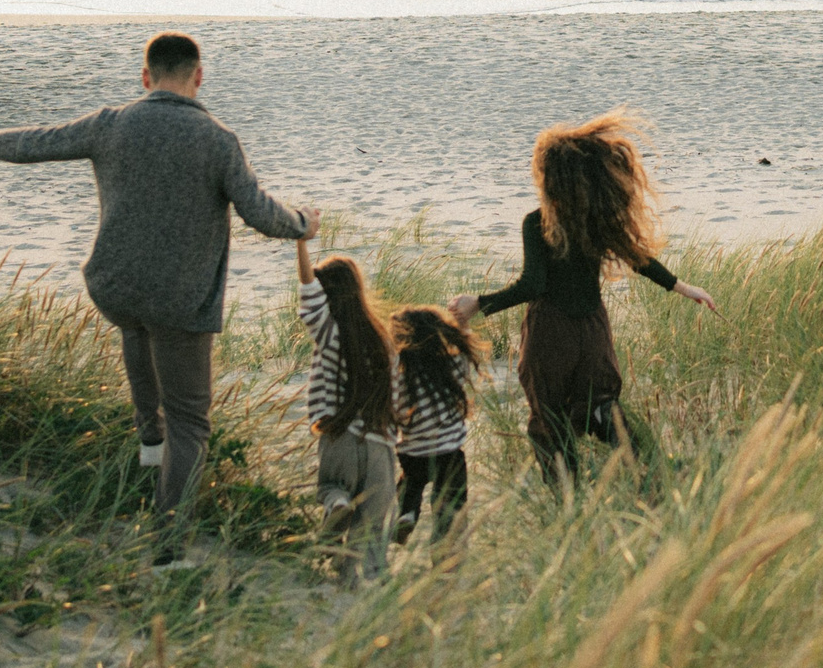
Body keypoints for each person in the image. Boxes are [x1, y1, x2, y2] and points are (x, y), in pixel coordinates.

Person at [0, 31, 314, 549]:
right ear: (199, 76)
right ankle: (168, 547)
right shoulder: (217, 139)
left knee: (137, 325)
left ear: (145, 78)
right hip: (179, 300)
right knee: (191, 423)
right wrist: (304, 223)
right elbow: (259, 213)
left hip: (116, 287)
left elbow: (38, 142)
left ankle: (148, 443)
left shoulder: (111, 123)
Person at [450, 110, 716, 487]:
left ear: (549, 178)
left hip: (550, 334)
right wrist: (684, 287)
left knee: (549, 424)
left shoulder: (536, 223)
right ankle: (652, 472)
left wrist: (479, 303)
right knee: (602, 408)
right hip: (593, 331)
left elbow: (533, 285)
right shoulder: (598, 220)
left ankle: (569, 499)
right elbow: (638, 259)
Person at [298, 235, 401, 582]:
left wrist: (301, 242)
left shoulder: (329, 333)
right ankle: (361, 583)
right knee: (372, 535)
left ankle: (337, 504)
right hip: (379, 445)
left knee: (331, 487)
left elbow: (308, 295)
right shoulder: (384, 340)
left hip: (340, 437)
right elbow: (398, 398)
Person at [390, 305, 483, 544]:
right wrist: (461, 325)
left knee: (410, 482)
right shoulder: (452, 367)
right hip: (449, 452)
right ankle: (446, 550)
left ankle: (406, 513)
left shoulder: (401, 377)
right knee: (450, 508)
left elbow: (397, 413)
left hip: (413, 452)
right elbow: (465, 347)